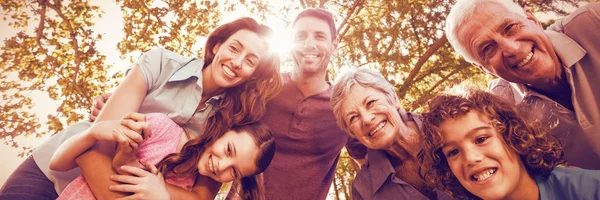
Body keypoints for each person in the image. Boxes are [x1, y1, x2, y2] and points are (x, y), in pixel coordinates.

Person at [0, 17, 282, 200]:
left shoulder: (229, 122)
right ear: (217, 46)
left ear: (253, 74)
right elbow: (98, 145)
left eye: (250, 61)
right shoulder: (160, 63)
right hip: (56, 174)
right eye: (234, 48)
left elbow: (200, 197)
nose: (237, 62)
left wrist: (161, 193)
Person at [444, 0, 600, 169]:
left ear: (533, 20)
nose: (513, 49)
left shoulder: (594, 22)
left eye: (510, 28)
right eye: (488, 48)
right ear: (483, 68)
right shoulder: (500, 111)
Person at [419, 89, 600, 200]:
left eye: (481, 139)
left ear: (514, 137)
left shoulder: (590, 189)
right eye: (452, 152)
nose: (471, 158)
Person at [50, 112, 275, 200]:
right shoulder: (162, 129)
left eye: (234, 171)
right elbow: (58, 163)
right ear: (223, 131)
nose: (222, 165)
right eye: (228, 150)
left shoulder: (189, 191)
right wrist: (92, 133)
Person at [330, 67, 451, 200]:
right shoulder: (364, 190)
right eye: (353, 117)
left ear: (393, 98)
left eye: (371, 102)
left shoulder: (445, 127)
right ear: (352, 132)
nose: (367, 119)